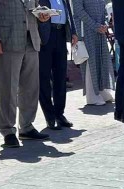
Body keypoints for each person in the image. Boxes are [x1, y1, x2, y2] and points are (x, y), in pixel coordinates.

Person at [0, 0, 51, 148]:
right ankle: (8, 131)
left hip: (31, 39)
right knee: (8, 89)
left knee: (31, 88)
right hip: (7, 40)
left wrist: (41, 14)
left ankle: (26, 127)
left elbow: (31, 7)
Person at [38, 0, 78, 129]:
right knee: (43, 78)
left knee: (60, 77)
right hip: (45, 36)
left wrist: (73, 31)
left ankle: (59, 114)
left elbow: (68, 12)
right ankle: (49, 117)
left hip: (60, 34)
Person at [73, 0, 115, 106]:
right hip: (85, 30)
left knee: (101, 59)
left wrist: (104, 24)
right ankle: (92, 95)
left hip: (99, 30)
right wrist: (95, 26)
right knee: (90, 62)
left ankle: (101, 90)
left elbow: (104, 10)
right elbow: (79, 11)